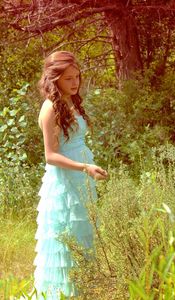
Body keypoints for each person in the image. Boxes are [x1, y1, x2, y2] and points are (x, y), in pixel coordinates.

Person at [33, 50, 108, 299]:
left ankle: (82, 291)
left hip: (82, 177)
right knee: (66, 239)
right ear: (54, 80)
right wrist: (84, 167)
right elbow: (51, 155)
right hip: (65, 181)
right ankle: (61, 294)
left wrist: (88, 168)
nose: (75, 83)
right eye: (68, 79)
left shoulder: (71, 102)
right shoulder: (50, 108)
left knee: (84, 234)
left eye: (77, 77)